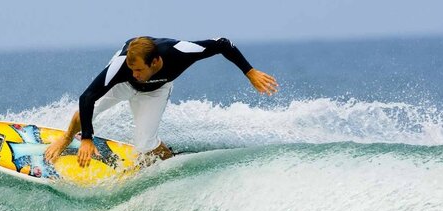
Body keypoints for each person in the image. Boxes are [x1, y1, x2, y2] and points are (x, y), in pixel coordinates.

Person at [44, 36, 278, 167]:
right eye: (130, 68)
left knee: (146, 144)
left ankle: (169, 161)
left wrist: (250, 72)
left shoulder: (179, 52)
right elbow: (87, 97)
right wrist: (86, 139)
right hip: (122, 88)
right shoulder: (122, 69)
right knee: (82, 114)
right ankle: (65, 139)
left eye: (138, 69)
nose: (133, 72)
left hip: (156, 91)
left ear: (155, 62)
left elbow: (221, 43)